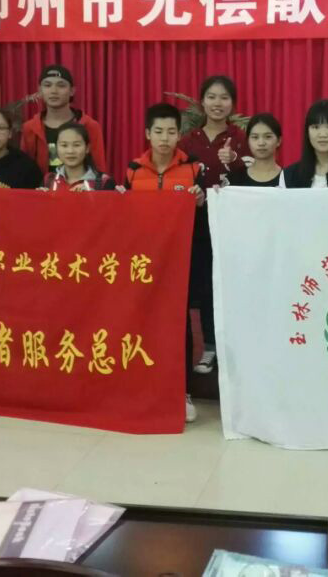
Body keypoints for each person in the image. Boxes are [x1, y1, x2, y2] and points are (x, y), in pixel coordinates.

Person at [124, 102, 205, 423]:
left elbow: (204, 219)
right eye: (158, 131)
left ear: (179, 134)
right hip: (143, 261)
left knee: (178, 324)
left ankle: (181, 391)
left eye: (171, 131)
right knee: (142, 321)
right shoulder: (133, 170)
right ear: (147, 133)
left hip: (180, 260)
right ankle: (141, 387)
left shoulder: (193, 168)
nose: (164, 138)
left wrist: (201, 201)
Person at [179, 76, 251, 374]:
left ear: (232, 103)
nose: (217, 103)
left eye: (224, 97)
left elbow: (253, 180)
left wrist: (235, 160)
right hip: (196, 226)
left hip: (233, 227)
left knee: (231, 286)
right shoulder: (188, 141)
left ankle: (236, 347)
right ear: (202, 102)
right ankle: (209, 346)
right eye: (211, 97)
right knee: (205, 287)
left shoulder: (241, 137)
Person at [20, 65, 106, 175]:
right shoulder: (29, 128)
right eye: (47, 85)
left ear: (72, 91)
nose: (53, 91)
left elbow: (99, 169)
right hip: (40, 185)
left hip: (80, 185)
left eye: (61, 86)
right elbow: (24, 170)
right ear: (40, 90)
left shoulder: (89, 126)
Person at [43, 122, 116, 192]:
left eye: (76, 145)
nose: (70, 151)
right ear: (56, 148)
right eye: (64, 145)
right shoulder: (48, 180)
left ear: (87, 148)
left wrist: (92, 195)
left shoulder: (104, 182)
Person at [229, 113, 283, 187]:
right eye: (255, 137)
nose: (261, 143)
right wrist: (218, 192)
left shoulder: (289, 179)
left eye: (268, 137)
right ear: (248, 141)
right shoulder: (234, 179)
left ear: (279, 141)